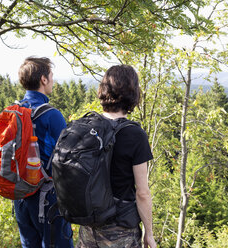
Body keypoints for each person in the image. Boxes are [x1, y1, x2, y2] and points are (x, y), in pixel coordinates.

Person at [77, 65, 157, 248]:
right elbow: (142, 193)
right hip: (120, 230)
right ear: (133, 94)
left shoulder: (86, 126)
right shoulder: (134, 134)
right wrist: (149, 233)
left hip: (88, 227)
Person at [14, 56, 74, 248]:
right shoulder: (51, 115)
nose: (53, 80)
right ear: (43, 79)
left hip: (20, 197)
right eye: (51, 75)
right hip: (47, 200)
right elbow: (67, 159)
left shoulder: (16, 111)